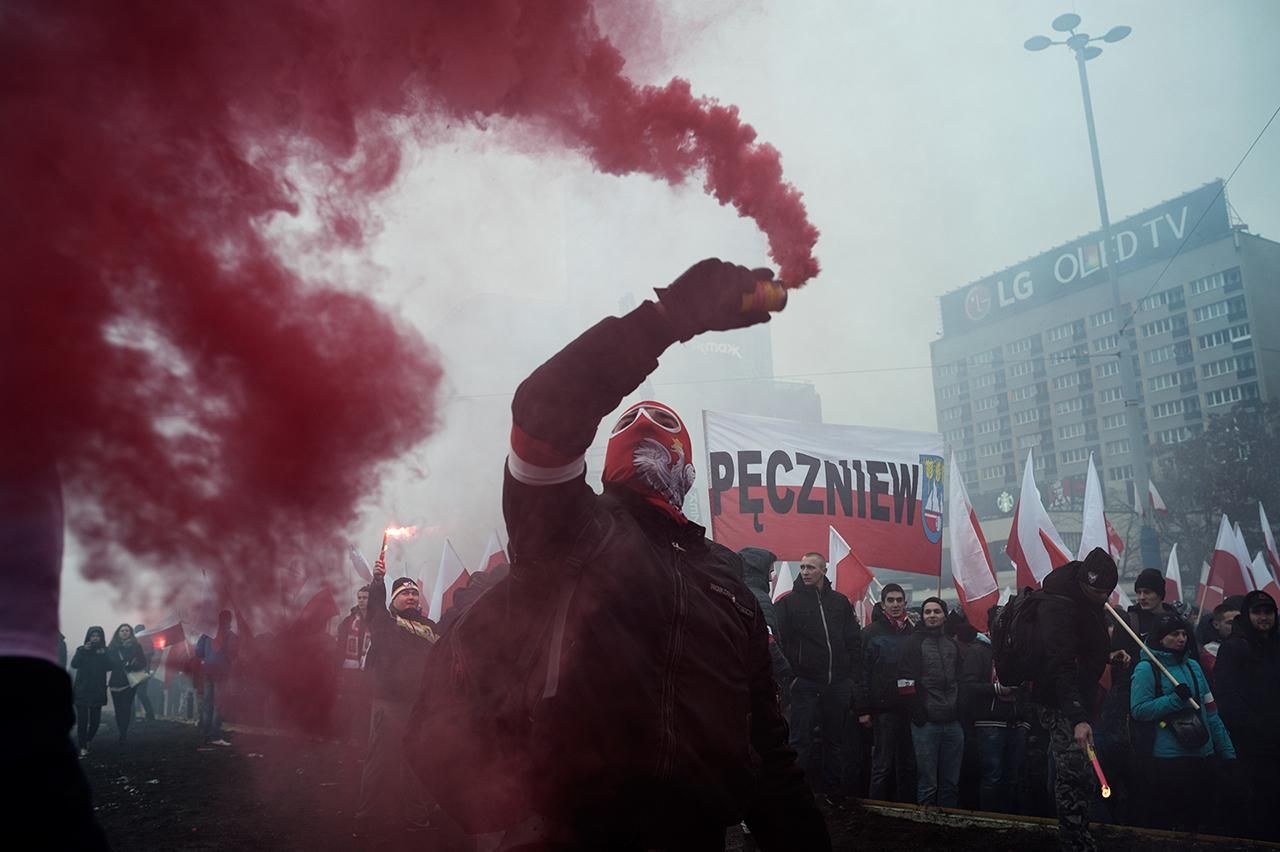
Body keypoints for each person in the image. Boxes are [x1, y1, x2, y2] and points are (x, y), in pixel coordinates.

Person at [494, 259, 828, 849]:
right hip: (572, 832)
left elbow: (767, 752)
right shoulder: (571, 533)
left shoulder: (725, 583)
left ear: (686, 469)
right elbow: (542, 413)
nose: (653, 437)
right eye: (641, 437)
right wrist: (665, 321)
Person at [0, 454, 111, 848]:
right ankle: (83, 743)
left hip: (32, 680)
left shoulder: (32, 451)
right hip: (32, 684)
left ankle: (86, 741)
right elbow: (74, 662)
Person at [1028, 547, 1117, 852]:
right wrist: (1078, 717)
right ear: (1083, 584)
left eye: (1107, 592)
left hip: (1079, 696)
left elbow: (1088, 648)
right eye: (1097, 592)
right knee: (1072, 771)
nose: (1103, 598)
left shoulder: (1088, 599)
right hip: (1060, 700)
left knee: (1075, 766)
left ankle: (1079, 830)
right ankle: (1074, 842)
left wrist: (1108, 657)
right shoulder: (1058, 606)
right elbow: (1061, 663)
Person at [1129, 613, 1234, 833]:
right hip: (1169, 762)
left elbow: (1211, 712)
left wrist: (1227, 752)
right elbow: (1139, 710)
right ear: (1160, 638)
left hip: (1202, 756)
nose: (1181, 639)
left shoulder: (1194, 667)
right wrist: (1174, 700)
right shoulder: (1146, 669)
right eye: (1174, 634)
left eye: (1184, 634)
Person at [355, 567, 438, 840]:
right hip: (389, 704)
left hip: (420, 706)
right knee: (380, 761)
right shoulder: (385, 622)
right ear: (394, 600)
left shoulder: (431, 627)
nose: (412, 597)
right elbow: (375, 606)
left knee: (417, 763)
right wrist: (378, 580)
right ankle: (367, 819)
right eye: (405, 594)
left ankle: (417, 815)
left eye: (415, 593)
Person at [775, 551, 863, 804]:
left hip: (837, 684)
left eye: (811, 567)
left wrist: (851, 679)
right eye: (802, 567)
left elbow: (853, 641)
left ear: (823, 570)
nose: (805, 572)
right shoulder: (788, 603)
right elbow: (779, 642)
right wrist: (792, 677)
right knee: (800, 742)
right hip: (805, 683)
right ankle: (797, 798)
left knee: (834, 741)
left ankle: (834, 794)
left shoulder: (840, 602)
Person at [1214, 589, 1280, 841]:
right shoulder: (1234, 648)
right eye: (1257, 612)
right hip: (1249, 744)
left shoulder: (1276, 644)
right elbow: (1228, 697)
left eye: (1268, 612)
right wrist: (1254, 728)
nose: (1263, 618)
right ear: (1247, 615)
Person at [897, 597, 963, 807]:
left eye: (936, 611)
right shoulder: (913, 643)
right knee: (928, 782)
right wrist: (918, 714)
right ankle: (925, 828)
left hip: (953, 723)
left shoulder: (953, 644)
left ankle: (949, 827)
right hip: (927, 724)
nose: (932, 615)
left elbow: (960, 680)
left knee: (950, 783)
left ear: (944, 615)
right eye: (927, 612)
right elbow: (904, 681)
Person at [961, 604, 1026, 814]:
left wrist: (1026, 720)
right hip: (989, 723)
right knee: (993, 777)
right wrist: (996, 688)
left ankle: (1010, 820)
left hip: (1016, 722)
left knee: (1013, 778)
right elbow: (968, 686)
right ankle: (990, 819)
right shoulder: (978, 651)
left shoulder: (1018, 650)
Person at [859, 583, 917, 803]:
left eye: (899, 600)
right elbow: (861, 673)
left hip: (909, 707)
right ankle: (876, 810)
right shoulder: (870, 633)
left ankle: (906, 811)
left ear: (905, 602)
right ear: (882, 604)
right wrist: (863, 709)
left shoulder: (913, 631)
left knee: (907, 763)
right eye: (890, 600)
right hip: (882, 709)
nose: (895, 604)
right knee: (882, 764)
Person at [738, 547, 793, 695]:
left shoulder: (737, 591)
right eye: (769, 572)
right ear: (759, 571)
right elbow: (766, 640)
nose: (770, 578)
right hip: (761, 678)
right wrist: (784, 669)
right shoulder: (760, 598)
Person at [335, 586, 373, 746]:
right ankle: (344, 736)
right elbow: (340, 647)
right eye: (360, 597)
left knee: (364, 704)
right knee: (348, 703)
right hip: (350, 670)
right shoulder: (349, 621)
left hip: (368, 671)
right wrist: (337, 670)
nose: (362, 601)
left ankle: (362, 737)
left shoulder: (378, 621)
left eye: (365, 598)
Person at [195, 610, 238, 746]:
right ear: (229, 620)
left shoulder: (206, 635)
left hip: (208, 670)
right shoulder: (230, 635)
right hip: (222, 672)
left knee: (208, 702)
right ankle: (215, 736)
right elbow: (233, 654)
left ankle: (205, 734)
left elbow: (198, 652)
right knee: (218, 704)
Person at [71, 626, 114, 756]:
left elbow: (110, 667)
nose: (95, 638)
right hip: (82, 689)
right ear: (88, 637)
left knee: (95, 722)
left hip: (97, 690)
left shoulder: (105, 651)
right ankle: (82, 746)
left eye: (97, 636)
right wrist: (83, 651)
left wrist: (104, 655)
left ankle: (88, 739)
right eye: (92, 635)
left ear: (101, 637)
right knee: (82, 721)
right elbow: (74, 664)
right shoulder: (81, 649)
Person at [106, 623, 147, 742]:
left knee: (126, 707)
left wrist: (133, 665)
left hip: (129, 681)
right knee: (118, 709)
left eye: (127, 631)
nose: (124, 632)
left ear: (131, 633)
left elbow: (143, 662)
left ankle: (123, 732)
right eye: (122, 631)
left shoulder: (136, 646)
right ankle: (121, 729)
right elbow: (108, 664)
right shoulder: (112, 647)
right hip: (115, 681)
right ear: (118, 633)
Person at [132, 623, 157, 722]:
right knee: (141, 693)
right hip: (143, 670)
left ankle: (135, 716)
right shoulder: (148, 640)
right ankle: (149, 714)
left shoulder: (139, 641)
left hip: (139, 670)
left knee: (137, 693)